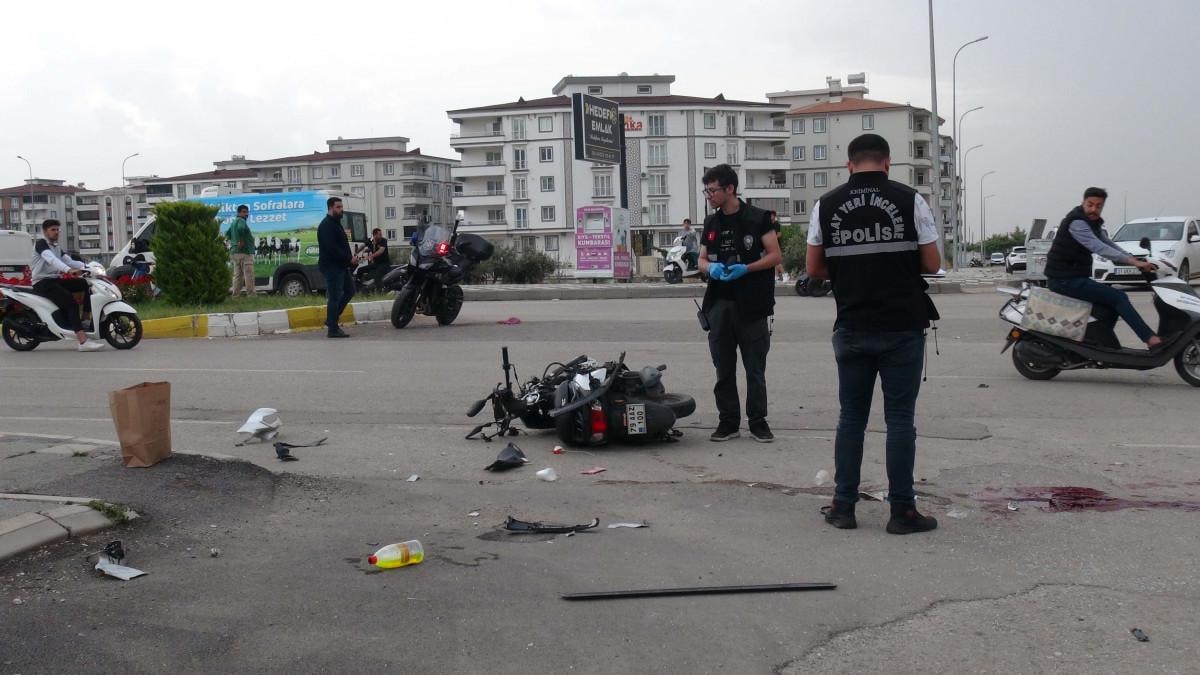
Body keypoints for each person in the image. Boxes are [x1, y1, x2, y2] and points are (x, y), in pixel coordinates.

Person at [805, 134, 941, 535]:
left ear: (849, 165)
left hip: (852, 325)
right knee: (899, 420)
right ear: (887, 162)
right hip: (902, 327)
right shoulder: (910, 200)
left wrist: (851, 269)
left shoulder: (826, 204)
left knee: (851, 419)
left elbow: (814, 269)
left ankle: (843, 507)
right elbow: (932, 262)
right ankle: (902, 512)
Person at [697, 164, 782, 443]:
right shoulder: (711, 223)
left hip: (752, 304)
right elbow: (701, 259)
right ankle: (728, 421)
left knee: (755, 369)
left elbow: (775, 256)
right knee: (723, 368)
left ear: (730, 189)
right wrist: (711, 268)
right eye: (706, 191)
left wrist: (747, 268)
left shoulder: (758, 219)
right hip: (720, 304)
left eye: (712, 190)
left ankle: (758, 421)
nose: (709, 196)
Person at [1045, 187, 1161, 348]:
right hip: (1063, 279)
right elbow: (1098, 247)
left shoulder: (1093, 223)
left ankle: (1104, 346)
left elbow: (1108, 243)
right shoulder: (1077, 222)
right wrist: (1133, 262)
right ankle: (1150, 339)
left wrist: (1133, 258)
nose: (1094, 209)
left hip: (1073, 277)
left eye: (1098, 206)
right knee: (1119, 297)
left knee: (1109, 308)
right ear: (1083, 203)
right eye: (1090, 205)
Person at [30, 219, 104, 351]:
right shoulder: (41, 244)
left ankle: (85, 318)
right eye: (53, 230)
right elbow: (52, 260)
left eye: (57, 229)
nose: (56, 232)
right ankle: (83, 342)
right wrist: (68, 270)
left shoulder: (56, 247)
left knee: (86, 284)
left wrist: (89, 267)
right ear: (45, 231)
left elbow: (69, 261)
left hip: (54, 280)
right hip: (42, 282)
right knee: (70, 302)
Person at [317, 197, 355, 338]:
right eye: (338, 207)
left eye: (341, 207)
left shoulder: (336, 223)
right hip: (332, 267)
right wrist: (348, 258)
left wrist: (349, 259)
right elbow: (332, 248)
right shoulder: (327, 225)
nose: (341, 210)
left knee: (350, 290)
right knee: (334, 297)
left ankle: (331, 319)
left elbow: (341, 245)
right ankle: (332, 329)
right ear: (330, 208)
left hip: (341, 265)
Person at [227, 205, 256, 297]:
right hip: (244, 252)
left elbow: (227, 234)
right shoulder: (241, 221)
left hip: (235, 252)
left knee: (237, 275)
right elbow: (240, 229)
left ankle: (235, 295)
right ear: (239, 213)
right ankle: (251, 295)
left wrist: (234, 242)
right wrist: (241, 240)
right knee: (248, 274)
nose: (246, 214)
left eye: (247, 212)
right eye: (244, 212)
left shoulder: (233, 222)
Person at [363, 228, 391, 292]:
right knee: (360, 270)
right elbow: (363, 245)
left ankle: (380, 290)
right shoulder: (370, 241)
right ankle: (359, 287)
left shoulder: (383, 240)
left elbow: (380, 251)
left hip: (384, 264)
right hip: (376, 264)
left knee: (377, 274)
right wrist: (356, 253)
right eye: (380, 234)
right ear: (374, 235)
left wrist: (371, 256)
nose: (381, 236)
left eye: (381, 234)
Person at [768, 210, 788, 282]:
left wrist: (772, 238)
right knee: (774, 262)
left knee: (777, 262)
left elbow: (779, 234)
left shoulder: (776, 224)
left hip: (777, 245)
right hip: (771, 246)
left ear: (774, 216)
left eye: (771, 215)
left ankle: (785, 275)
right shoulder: (769, 225)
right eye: (769, 215)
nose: (770, 217)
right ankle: (776, 276)